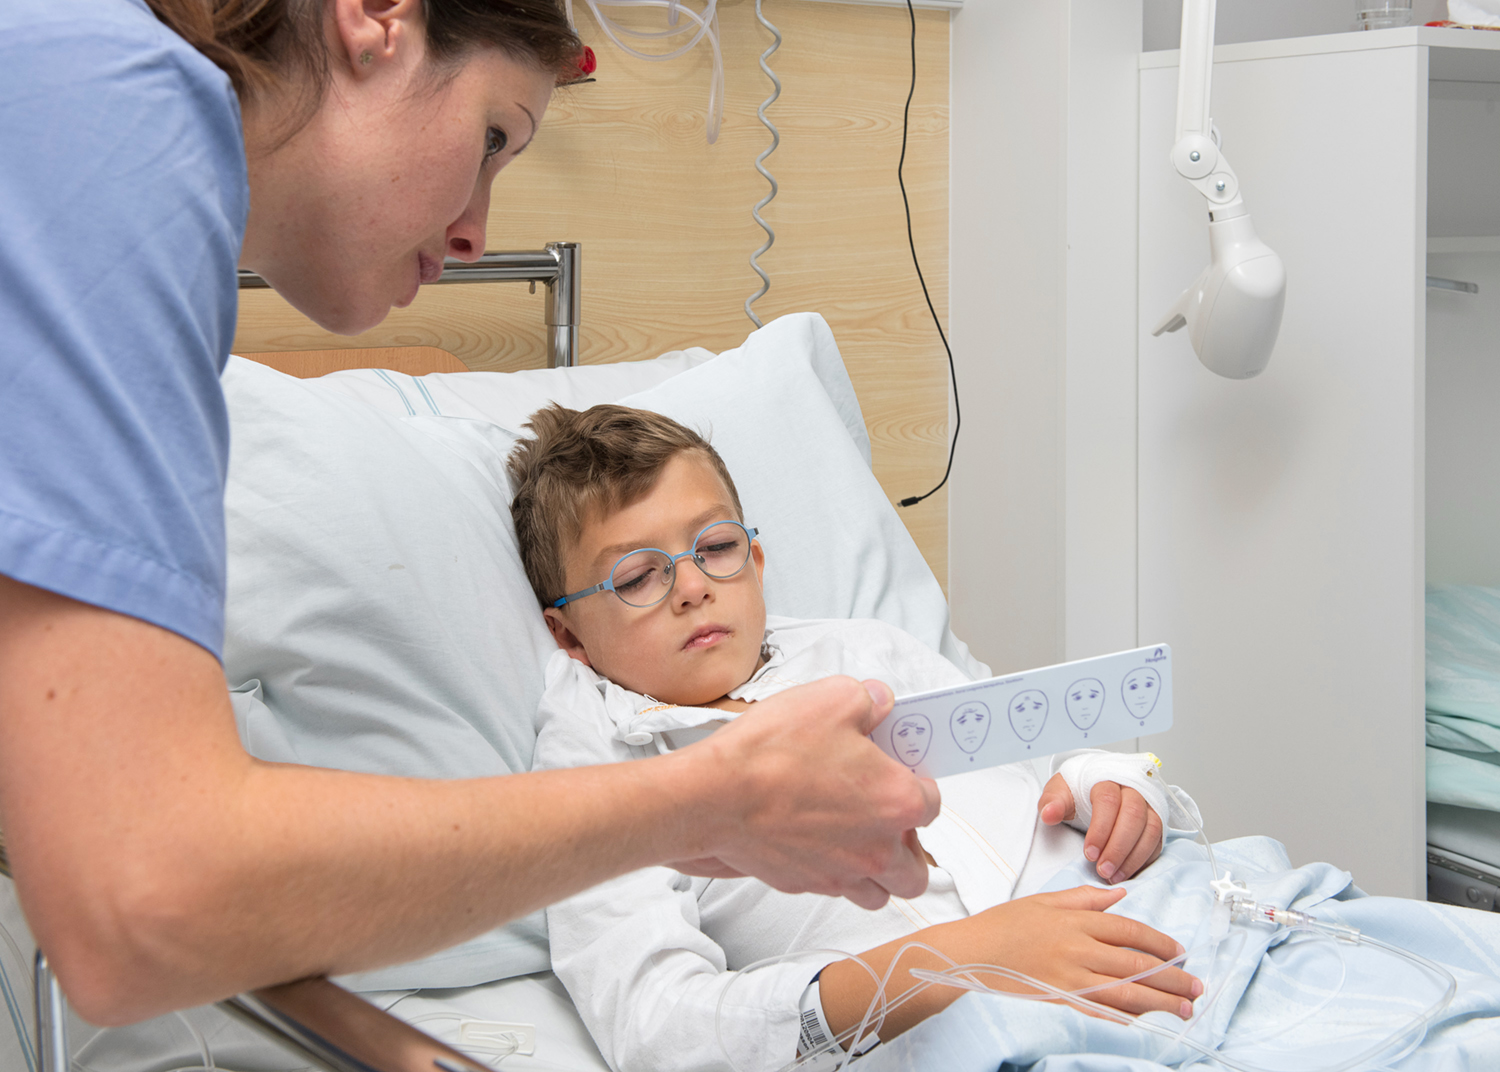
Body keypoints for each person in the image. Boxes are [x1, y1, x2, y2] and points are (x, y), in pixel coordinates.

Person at [0, 0, 940, 1026]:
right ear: (373, 19)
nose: (475, 232)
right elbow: (144, 898)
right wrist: (715, 799)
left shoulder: (76, 90)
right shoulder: (114, 107)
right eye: (492, 137)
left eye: (717, 547)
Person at [508, 404, 1203, 1072]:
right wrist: (948, 960)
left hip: (1156, 910)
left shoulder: (869, 651)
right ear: (567, 634)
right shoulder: (602, 765)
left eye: (715, 546)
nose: (692, 586)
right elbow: (657, 1027)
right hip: (965, 1023)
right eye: (637, 577)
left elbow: (1045, 763)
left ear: (755, 559)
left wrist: (1107, 788)